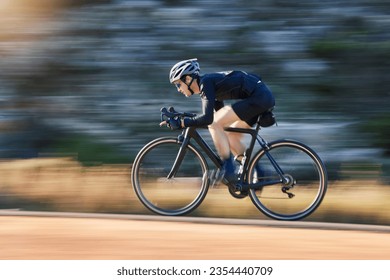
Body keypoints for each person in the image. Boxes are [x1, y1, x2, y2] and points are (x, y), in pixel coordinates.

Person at [162, 58, 275, 187]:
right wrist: (185, 118)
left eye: (178, 84)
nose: (178, 89)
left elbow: (209, 119)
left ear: (187, 79)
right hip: (261, 97)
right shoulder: (209, 86)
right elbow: (215, 115)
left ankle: (228, 170)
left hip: (259, 98)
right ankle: (259, 174)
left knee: (215, 123)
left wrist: (183, 123)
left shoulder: (206, 83)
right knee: (231, 136)